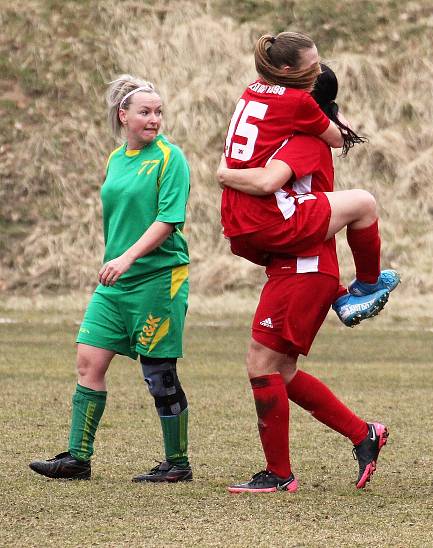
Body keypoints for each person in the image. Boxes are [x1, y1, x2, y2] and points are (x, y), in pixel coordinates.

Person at [219, 65, 389, 493]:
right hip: (304, 264)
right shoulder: (302, 135)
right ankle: (362, 434)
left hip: (303, 267)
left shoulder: (302, 139)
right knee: (283, 371)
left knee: (261, 363)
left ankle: (279, 475)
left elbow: (268, 182)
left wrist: (223, 173)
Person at [29, 75, 193, 482]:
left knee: (159, 373)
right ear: (123, 116)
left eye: (158, 112)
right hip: (116, 282)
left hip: (158, 277)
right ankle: (77, 459)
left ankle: (177, 463)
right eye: (144, 112)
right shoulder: (116, 158)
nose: (154, 119)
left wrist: (127, 258)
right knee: (88, 361)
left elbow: (169, 221)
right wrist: (116, 262)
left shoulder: (172, 159)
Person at [221, 32, 398, 325]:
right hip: (269, 221)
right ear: (289, 72)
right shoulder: (299, 113)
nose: (317, 72)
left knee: (271, 369)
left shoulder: (252, 90)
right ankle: (367, 284)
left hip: (236, 219)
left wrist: (225, 173)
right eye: (313, 66)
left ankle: (340, 297)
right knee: (364, 203)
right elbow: (339, 139)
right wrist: (335, 117)